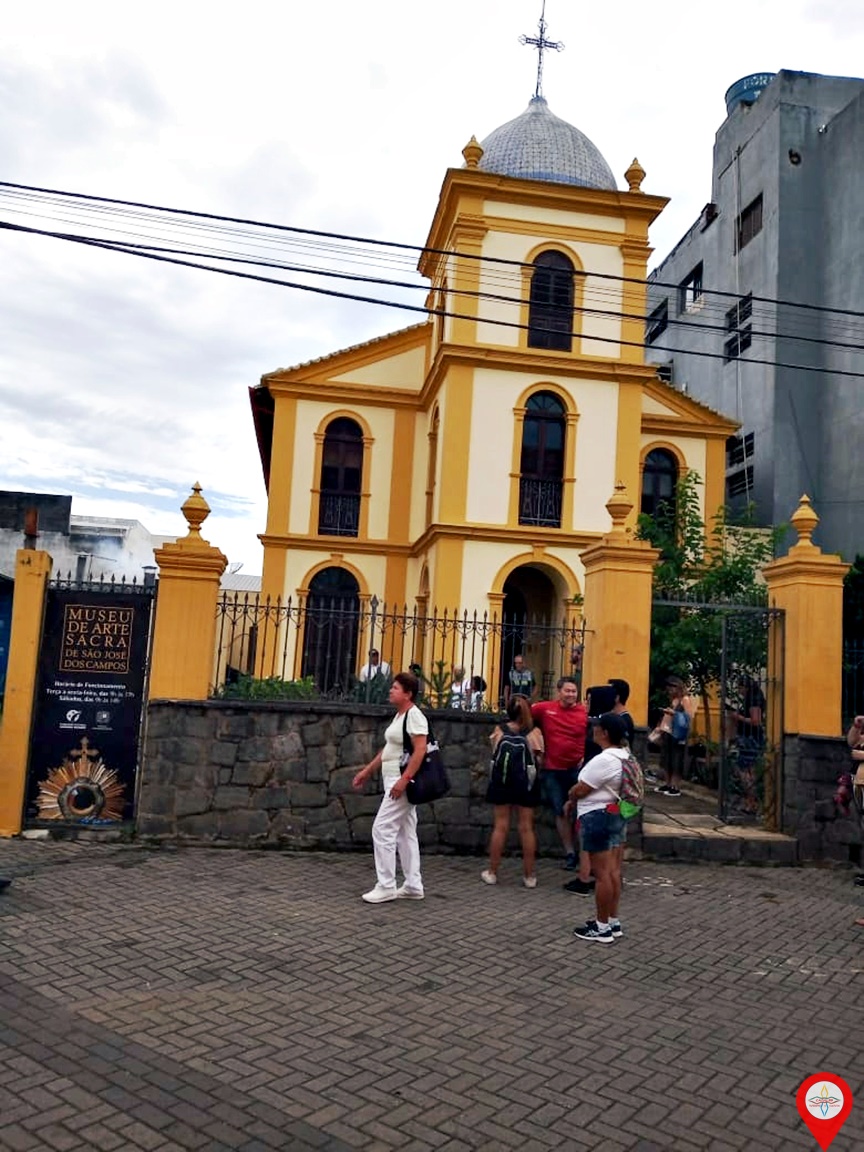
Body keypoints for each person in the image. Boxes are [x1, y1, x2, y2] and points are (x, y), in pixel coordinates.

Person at [352, 671, 428, 903]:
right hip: (393, 777)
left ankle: (386, 885)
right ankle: (413, 885)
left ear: (408, 694)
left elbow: (420, 750)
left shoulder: (414, 716)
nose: (390, 690)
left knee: (382, 829)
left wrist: (404, 780)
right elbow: (389, 749)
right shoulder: (400, 716)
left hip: (400, 780)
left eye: (395, 688)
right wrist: (367, 771)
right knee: (405, 833)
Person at [567, 712, 629, 944]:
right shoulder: (625, 756)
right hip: (615, 814)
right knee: (613, 872)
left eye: (597, 726)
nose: (593, 729)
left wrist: (571, 795)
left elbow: (583, 788)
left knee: (601, 875)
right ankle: (612, 921)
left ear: (605, 733)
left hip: (598, 817)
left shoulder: (605, 759)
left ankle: (602, 928)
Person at [481, 694, 544, 888]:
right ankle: (529, 876)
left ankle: (492, 872)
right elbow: (539, 758)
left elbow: (495, 752)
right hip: (526, 784)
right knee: (526, 828)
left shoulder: (500, 730)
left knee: (500, 826)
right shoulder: (534, 732)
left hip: (502, 782)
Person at [532, 677, 588, 869]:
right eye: (567, 691)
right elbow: (523, 714)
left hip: (577, 770)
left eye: (574, 691)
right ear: (559, 692)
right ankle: (570, 853)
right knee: (560, 811)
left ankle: (585, 854)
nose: (571, 694)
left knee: (581, 811)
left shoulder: (583, 712)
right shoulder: (545, 709)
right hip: (552, 770)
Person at [656, 676, 695, 797]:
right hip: (669, 731)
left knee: (677, 759)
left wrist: (674, 713)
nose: (669, 690)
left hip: (678, 733)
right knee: (667, 758)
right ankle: (668, 783)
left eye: (672, 688)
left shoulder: (685, 700)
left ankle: (675, 785)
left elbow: (688, 717)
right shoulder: (674, 700)